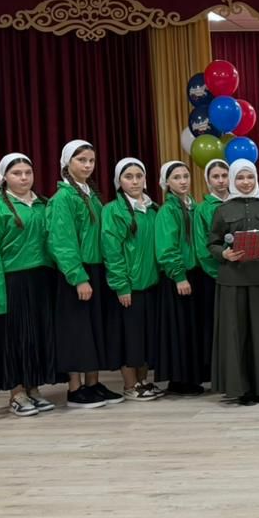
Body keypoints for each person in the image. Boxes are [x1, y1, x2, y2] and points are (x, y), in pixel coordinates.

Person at [0, 153, 58, 416]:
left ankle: (34, 388)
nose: (23, 178)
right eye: (16, 173)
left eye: (27, 173)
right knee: (14, 339)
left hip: (41, 281)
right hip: (11, 283)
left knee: (36, 338)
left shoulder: (44, 205)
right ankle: (17, 393)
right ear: (4, 177)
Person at [47, 140, 123, 409]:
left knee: (94, 327)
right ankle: (75, 388)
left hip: (96, 268)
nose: (88, 165)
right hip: (78, 272)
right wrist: (78, 276)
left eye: (91, 160)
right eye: (81, 160)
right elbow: (62, 241)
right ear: (67, 163)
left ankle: (93, 383)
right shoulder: (63, 199)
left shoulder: (92, 195)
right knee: (76, 330)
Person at [209, 159, 259, 406]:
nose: (245, 182)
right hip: (233, 280)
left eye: (250, 177)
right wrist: (224, 253)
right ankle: (241, 389)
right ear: (233, 180)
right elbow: (213, 243)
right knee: (236, 335)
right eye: (240, 178)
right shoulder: (222, 210)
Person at [101, 157, 163, 402]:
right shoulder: (112, 211)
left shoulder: (153, 208)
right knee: (129, 338)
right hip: (129, 286)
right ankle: (130, 385)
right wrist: (121, 285)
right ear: (119, 182)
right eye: (128, 177)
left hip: (151, 284)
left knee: (145, 337)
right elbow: (111, 251)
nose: (135, 181)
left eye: (139, 176)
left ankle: (143, 381)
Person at [154, 160, 206, 396]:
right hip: (179, 277)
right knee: (179, 330)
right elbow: (167, 247)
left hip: (195, 273)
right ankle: (179, 380)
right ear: (167, 182)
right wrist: (178, 275)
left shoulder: (193, 206)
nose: (183, 181)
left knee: (191, 328)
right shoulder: (168, 210)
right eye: (177, 177)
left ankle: (193, 376)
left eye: (186, 176)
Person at [193, 159, 230, 381]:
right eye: (215, 176)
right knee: (215, 325)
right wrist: (219, 273)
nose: (221, 181)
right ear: (208, 180)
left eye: (224, 175)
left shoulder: (238, 202)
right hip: (214, 277)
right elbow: (202, 248)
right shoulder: (202, 209)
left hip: (239, 276)